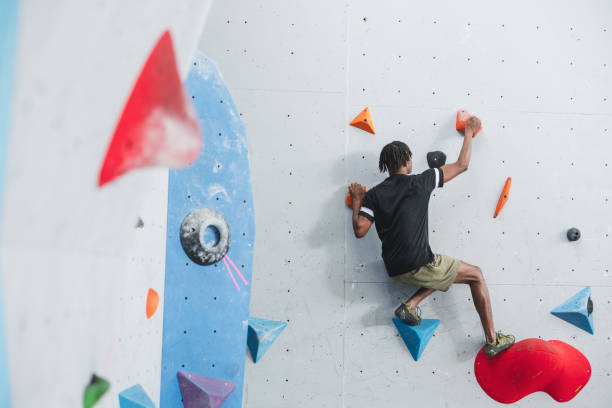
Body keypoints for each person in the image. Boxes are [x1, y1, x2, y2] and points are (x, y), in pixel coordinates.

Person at [348, 116, 515, 357]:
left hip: (394, 268)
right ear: (407, 160)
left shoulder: (374, 195)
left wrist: (356, 200)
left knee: (442, 268)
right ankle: (493, 339)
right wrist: (468, 131)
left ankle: (411, 305)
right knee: (475, 274)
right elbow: (462, 164)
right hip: (418, 263)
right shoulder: (420, 182)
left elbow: (360, 230)